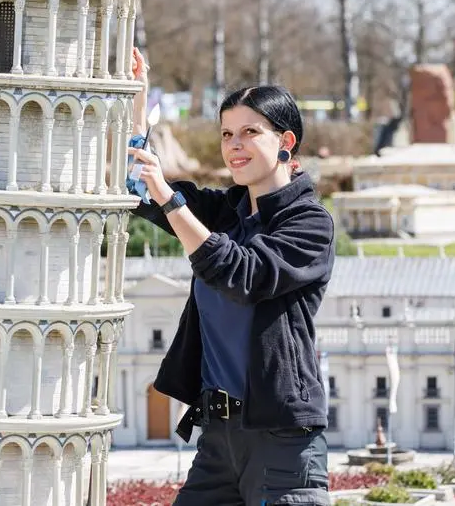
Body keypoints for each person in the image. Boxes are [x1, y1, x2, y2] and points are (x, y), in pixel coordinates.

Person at [125, 48, 336, 506]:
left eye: (249, 132)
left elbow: (241, 272)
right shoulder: (226, 212)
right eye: (226, 134)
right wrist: (138, 101)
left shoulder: (310, 223)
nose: (234, 144)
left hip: (281, 442)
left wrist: (170, 200)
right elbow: (140, 189)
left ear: (286, 141)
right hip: (217, 439)